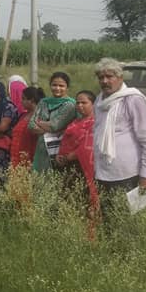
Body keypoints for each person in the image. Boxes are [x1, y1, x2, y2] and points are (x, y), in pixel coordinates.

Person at [92, 58, 146, 220]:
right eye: (101, 77)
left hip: (128, 174)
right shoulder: (100, 101)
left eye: (109, 76)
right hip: (103, 172)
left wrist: (145, 175)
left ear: (120, 77)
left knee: (127, 222)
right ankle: (111, 247)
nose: (105, 81)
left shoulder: (132, 99)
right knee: (109, 221)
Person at [57, 90, 100, 228]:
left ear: (93, 104)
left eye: (84, 103)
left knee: (85, 200)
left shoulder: (95, 123)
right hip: (68, 166)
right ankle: (71, 230)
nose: (80, 105)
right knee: (70, 199)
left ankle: (89, 234)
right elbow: (65, 141)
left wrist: (72, 155)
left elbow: (90, 146)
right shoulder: (76, 121)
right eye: (78, 102)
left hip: (84, 167)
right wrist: (60, 155)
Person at [29, 72, 77, 173]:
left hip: (59, 149)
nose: (57, 88)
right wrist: (47, 127)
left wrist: (39, 122)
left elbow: (55, 126)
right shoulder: (44, 102)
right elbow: (30, 126)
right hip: (42, 148)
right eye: (54, 85)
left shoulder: (70, 105)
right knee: (40, 181)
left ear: (67, 87)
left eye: (61, 86)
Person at [10, 87, 43, 169]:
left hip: (29, 159)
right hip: (16, 157)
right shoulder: (23, 115)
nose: (21, 101)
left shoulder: (40, 117)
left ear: (31, 100)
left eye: (23, 99)